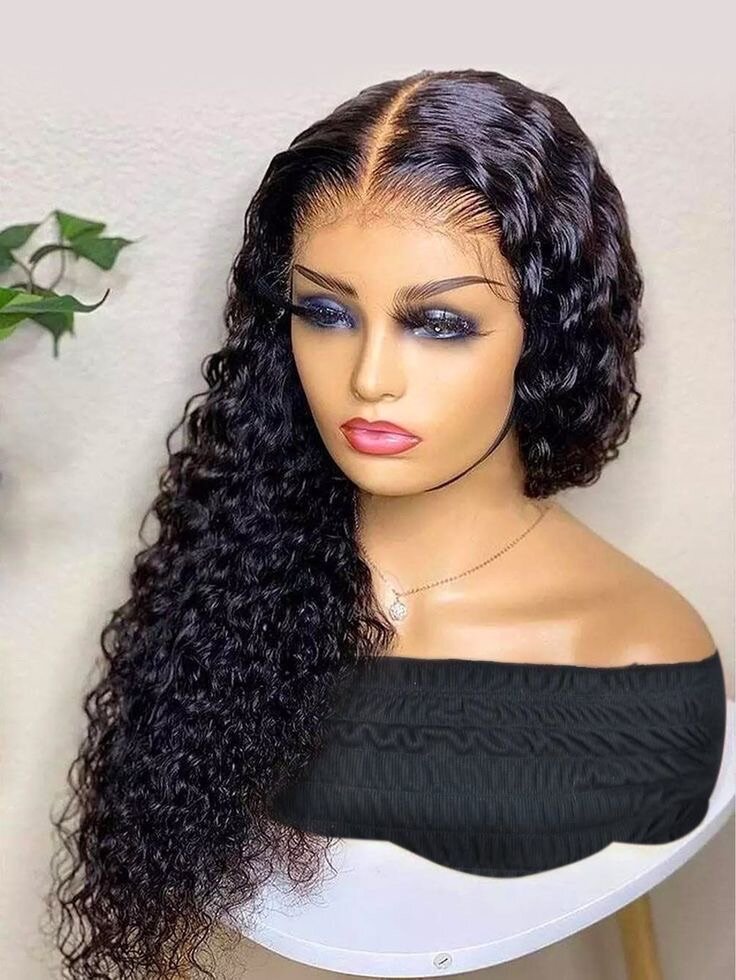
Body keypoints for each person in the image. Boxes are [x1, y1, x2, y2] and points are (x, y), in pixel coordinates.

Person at [47, 68, 726, 980]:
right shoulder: (236, 581)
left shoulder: (634, 654)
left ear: (549, 333)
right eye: (325, 312)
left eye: (439, 324)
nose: (368, 378)